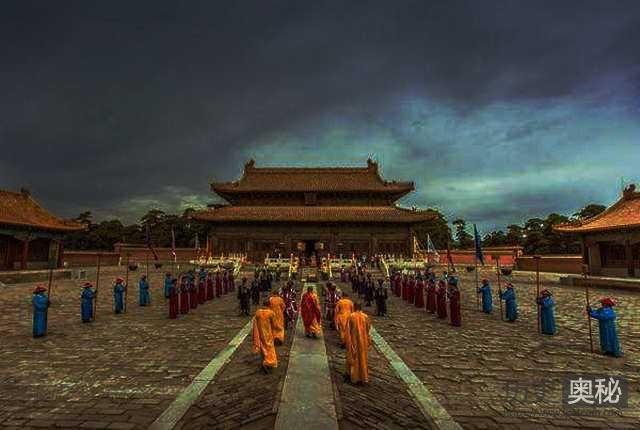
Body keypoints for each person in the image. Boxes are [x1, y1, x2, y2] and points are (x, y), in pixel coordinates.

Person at [345, 303, 371, 384]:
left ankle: (354, 377)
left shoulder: (351, 316)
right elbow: (368, 329)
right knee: (363, 359)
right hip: (363, 341)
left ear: (354, 307)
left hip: (354, 340)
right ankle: (363, 376)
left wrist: (348, 342)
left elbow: (348, 330)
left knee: (354, 358)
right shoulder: (365, 317)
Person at [252, 300, 278, 373]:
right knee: (270, 348)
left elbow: (255, 323)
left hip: (260, 333)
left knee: (263, 348)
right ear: (269, 305)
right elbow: (274, 324)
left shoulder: (258, 312)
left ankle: (263, 361)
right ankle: (268, 362)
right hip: (268, 333)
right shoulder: (271, 313)